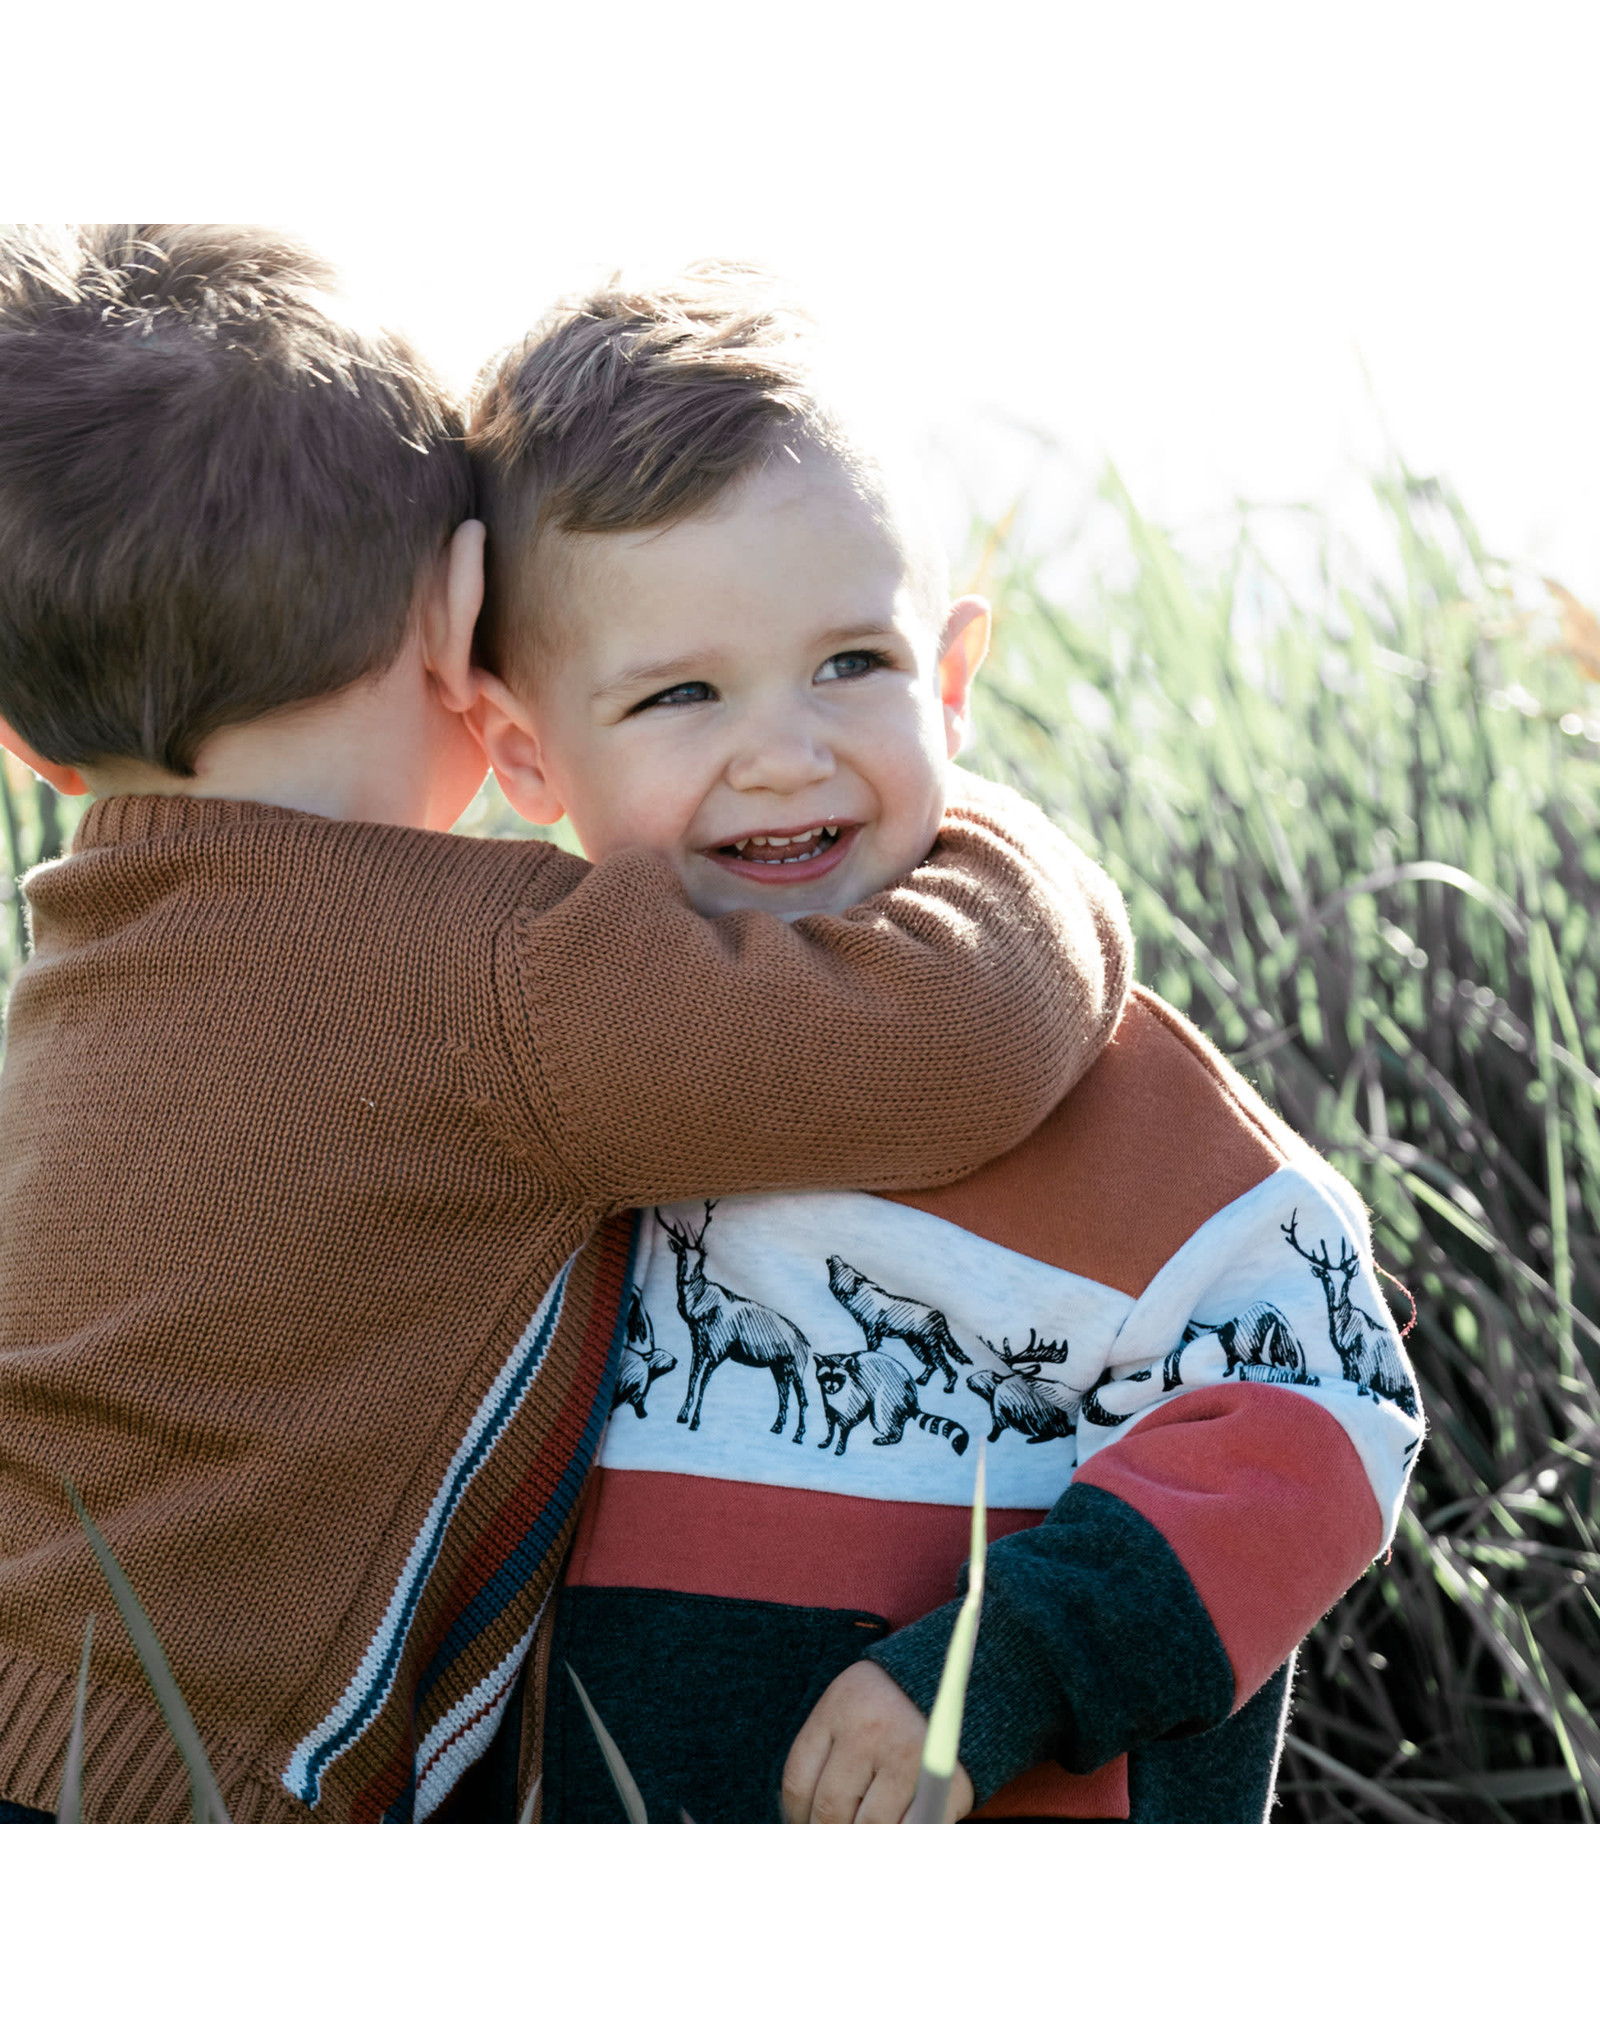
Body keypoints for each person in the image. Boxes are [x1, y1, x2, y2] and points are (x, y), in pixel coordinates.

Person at [0, 227, 1128, 1823]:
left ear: (29, 744)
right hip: (181, 1794)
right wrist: (991, 820)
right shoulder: (494, 980)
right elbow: (959, 1038)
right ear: (464, 617)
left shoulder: (88, 951)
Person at [462, 266, 1424, 1824]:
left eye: (854, 663)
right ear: (522, 750)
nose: (787, 751)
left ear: (953, 675)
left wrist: (1005, 1666)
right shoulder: (556, 1087)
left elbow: (1325, 1416)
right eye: (683, 694)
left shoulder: (1100, 1095)